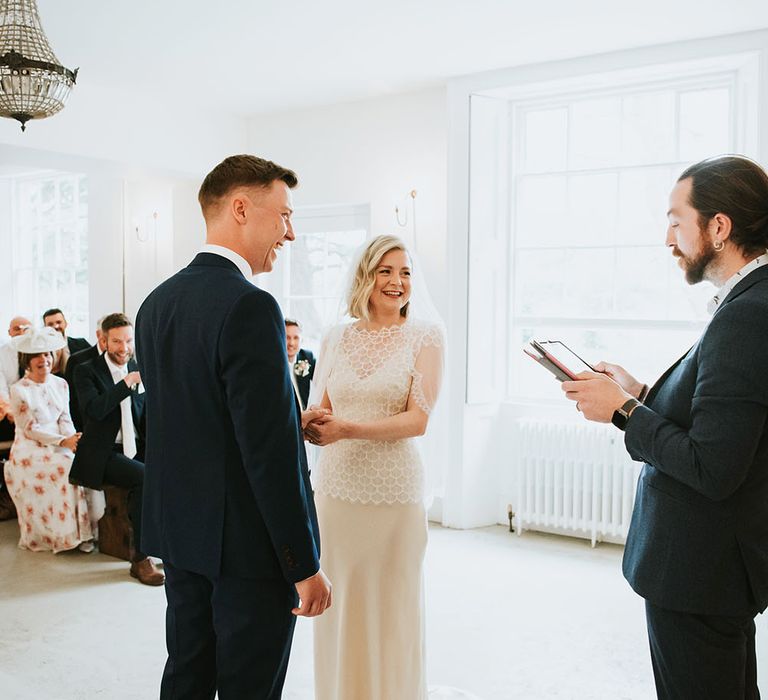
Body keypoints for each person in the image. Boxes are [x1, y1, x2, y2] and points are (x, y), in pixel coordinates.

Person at [560, 155, 768, 699]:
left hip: (700, 570)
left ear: (718, 228)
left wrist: (623, 411)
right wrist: (642, 392)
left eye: (677, 220)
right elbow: (727, 415)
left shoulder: (749, 312)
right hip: (712, 568)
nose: (668, 238)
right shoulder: (750, 301)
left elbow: (713, 465)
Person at [135, 154, 331, 698]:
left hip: (181, 533)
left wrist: (290, 417)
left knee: (187, 675)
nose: (289, 233)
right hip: (245, 547)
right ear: (241, 208)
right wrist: (303, 562)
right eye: (284, 215)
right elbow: (266, 455)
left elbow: (189, 420)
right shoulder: (251, 306)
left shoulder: (156, 304)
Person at [305, 234, 445, 700]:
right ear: (366, 275)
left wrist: (348, 430)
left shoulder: (425, 336)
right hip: (337, 490)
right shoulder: (336, 336)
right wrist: (308, 424)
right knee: (339, 602)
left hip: (394, 492)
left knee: (392, 605)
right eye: (386, 271)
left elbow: (417, 419)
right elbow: (319, 407)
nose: (396, 281)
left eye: (404, 272)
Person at [69, 313, 163, 585]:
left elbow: (145, 414)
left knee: (174, 470)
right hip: (104, 452)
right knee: (144, 478)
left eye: (129, 341)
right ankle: (140, 560)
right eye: (117, 341)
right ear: (103, 340)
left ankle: (166, 544)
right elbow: (95, 410)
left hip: (138, 447)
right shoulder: (85, 370)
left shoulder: (136, 366)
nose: (124, 348)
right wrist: (125, 384)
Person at [3, 326, 94, 552]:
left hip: (60, 440)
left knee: (80, 462)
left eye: (47, 354)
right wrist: (63, 443)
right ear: (27, 360)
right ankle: (63, 537)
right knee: (63, 467)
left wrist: (72, 439)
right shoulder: (19, 390)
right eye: (37, 356)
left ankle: (83, 534)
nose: (43, 359)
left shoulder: (60, 384)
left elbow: (65, 417)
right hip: (30, 448)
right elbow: (30, 428)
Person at [65, 316, 107, 431]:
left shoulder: (128, 360)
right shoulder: (78, 360)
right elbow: (72, 399)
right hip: (86, 427)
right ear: (99, 335)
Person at [0, 315, 31, 443]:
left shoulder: (40, 353)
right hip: (9, 408)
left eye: (26, 329)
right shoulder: (1, 354)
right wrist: (12, 412)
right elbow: (1, 388)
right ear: (9, 332)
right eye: (17, 329)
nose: (21, 332)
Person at [43, 308, 89, 375]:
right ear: (45, 328)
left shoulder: (82, 344)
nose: (55, 326)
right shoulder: (42, 351)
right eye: (50, 324)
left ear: (66, 323)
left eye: (59, 322)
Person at [285, 318, 315, 410]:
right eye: (287, 337)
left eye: (296, 338)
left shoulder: (307, 357)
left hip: (305, 413)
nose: (291, 343)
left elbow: (322, 380)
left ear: (301, 340)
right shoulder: (273, 363)